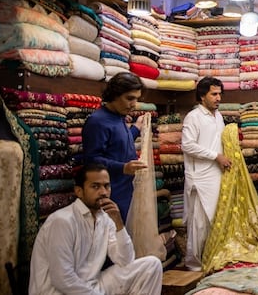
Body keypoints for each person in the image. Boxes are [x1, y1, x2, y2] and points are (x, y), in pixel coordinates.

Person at [29, 163, 163, 294]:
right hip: (58, 291)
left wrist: (119, 223)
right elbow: (62, 280)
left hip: (92, 286)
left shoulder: (105, 219)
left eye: (106, 186)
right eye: (95, 186)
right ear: (79, 191)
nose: (103, 192)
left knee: (152, 265)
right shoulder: (62, 221)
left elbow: (125, 260)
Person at [82, 72, 149, 222]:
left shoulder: (119, 117)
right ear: (115, 94)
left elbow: (120, 143)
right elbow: (92, 160)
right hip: (111, 193)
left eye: (136, 99)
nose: (134, 104)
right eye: (129, 98)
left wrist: (136, 128)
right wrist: (123, 167)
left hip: (127, 190)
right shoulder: (97, 121)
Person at [182, 76, 230, 271]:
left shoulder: (218, 116)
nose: (218, 98)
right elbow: (187, 145)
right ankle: (194, 265)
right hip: (200, 178)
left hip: (217, 175)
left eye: (220, 94)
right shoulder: (193, 117)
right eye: (214, 94)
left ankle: (212, 261)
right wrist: (215, 156)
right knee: (199, 224)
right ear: (202, 96)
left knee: (215, 220)